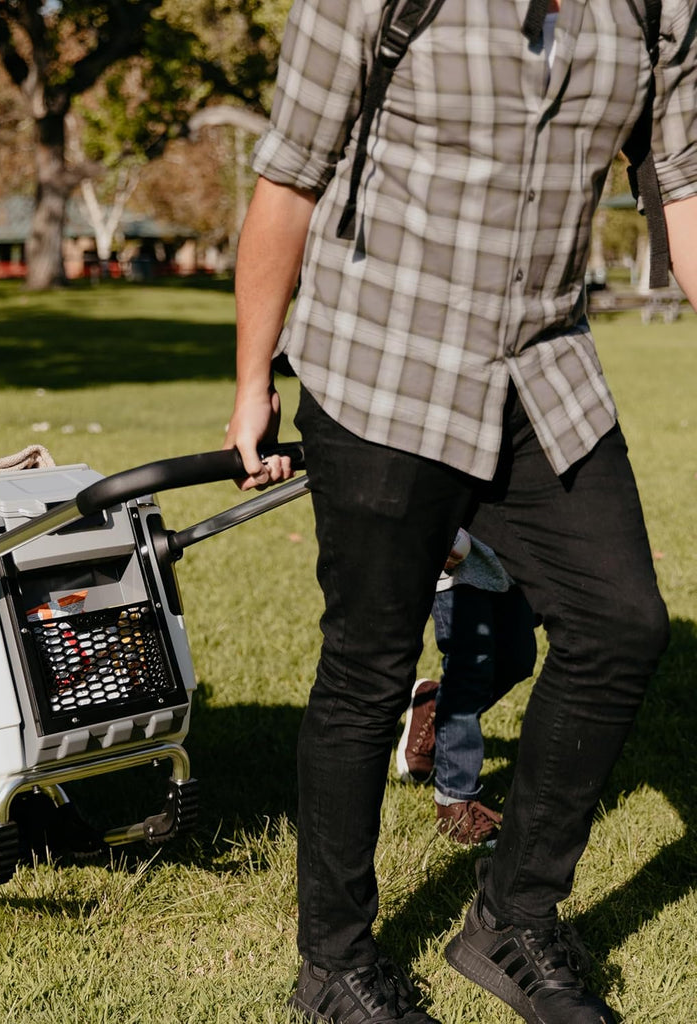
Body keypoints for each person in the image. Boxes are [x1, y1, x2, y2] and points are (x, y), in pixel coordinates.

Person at [223, 0, 697, 1021]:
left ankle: (512, 916)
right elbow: (289, 173)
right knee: (369, 662)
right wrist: (252, 377)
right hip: (385, 364)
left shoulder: (661, 8)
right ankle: (335, 965)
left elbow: (685, 192)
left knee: (620, 624)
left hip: (542, 370)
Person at [395, 528, 538, 846]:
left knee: (518, 659)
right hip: (456, 558)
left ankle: (432, 706)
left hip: (511, 553)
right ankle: (455, 803)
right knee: (469, 672)